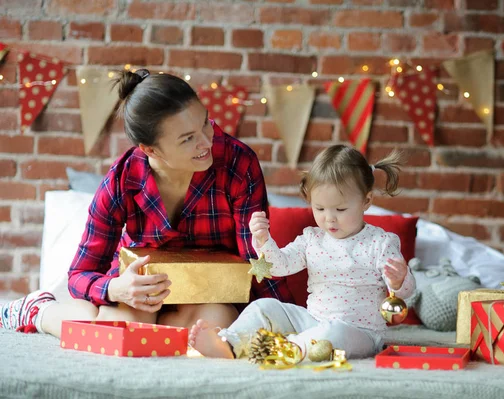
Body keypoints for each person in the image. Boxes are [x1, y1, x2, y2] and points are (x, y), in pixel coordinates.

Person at [0, 69, 294, 338]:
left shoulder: (238, 163)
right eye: (188, 138)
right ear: (150, 149)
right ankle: (40, 310)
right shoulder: (122, 179)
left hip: (210, 292)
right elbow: (79, 274)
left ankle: (126, 326)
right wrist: (117, 288)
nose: (207, 141)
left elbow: (258, 260)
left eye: (205, 122)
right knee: (113, 334)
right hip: (139, 291)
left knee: (213, 331)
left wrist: (293, 320)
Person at [188, 144, 416, 360]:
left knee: (332, 334)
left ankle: (287, 349)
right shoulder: (312, 239)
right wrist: (263, 240)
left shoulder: (380, 242)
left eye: (340, 209)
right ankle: (229, 344)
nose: (329, 218)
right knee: (264, 307)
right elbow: (280, 266)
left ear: (366, 201)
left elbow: (404, 294)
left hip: (358, 332)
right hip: (312, 321)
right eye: (319, 208)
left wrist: (399, 280)